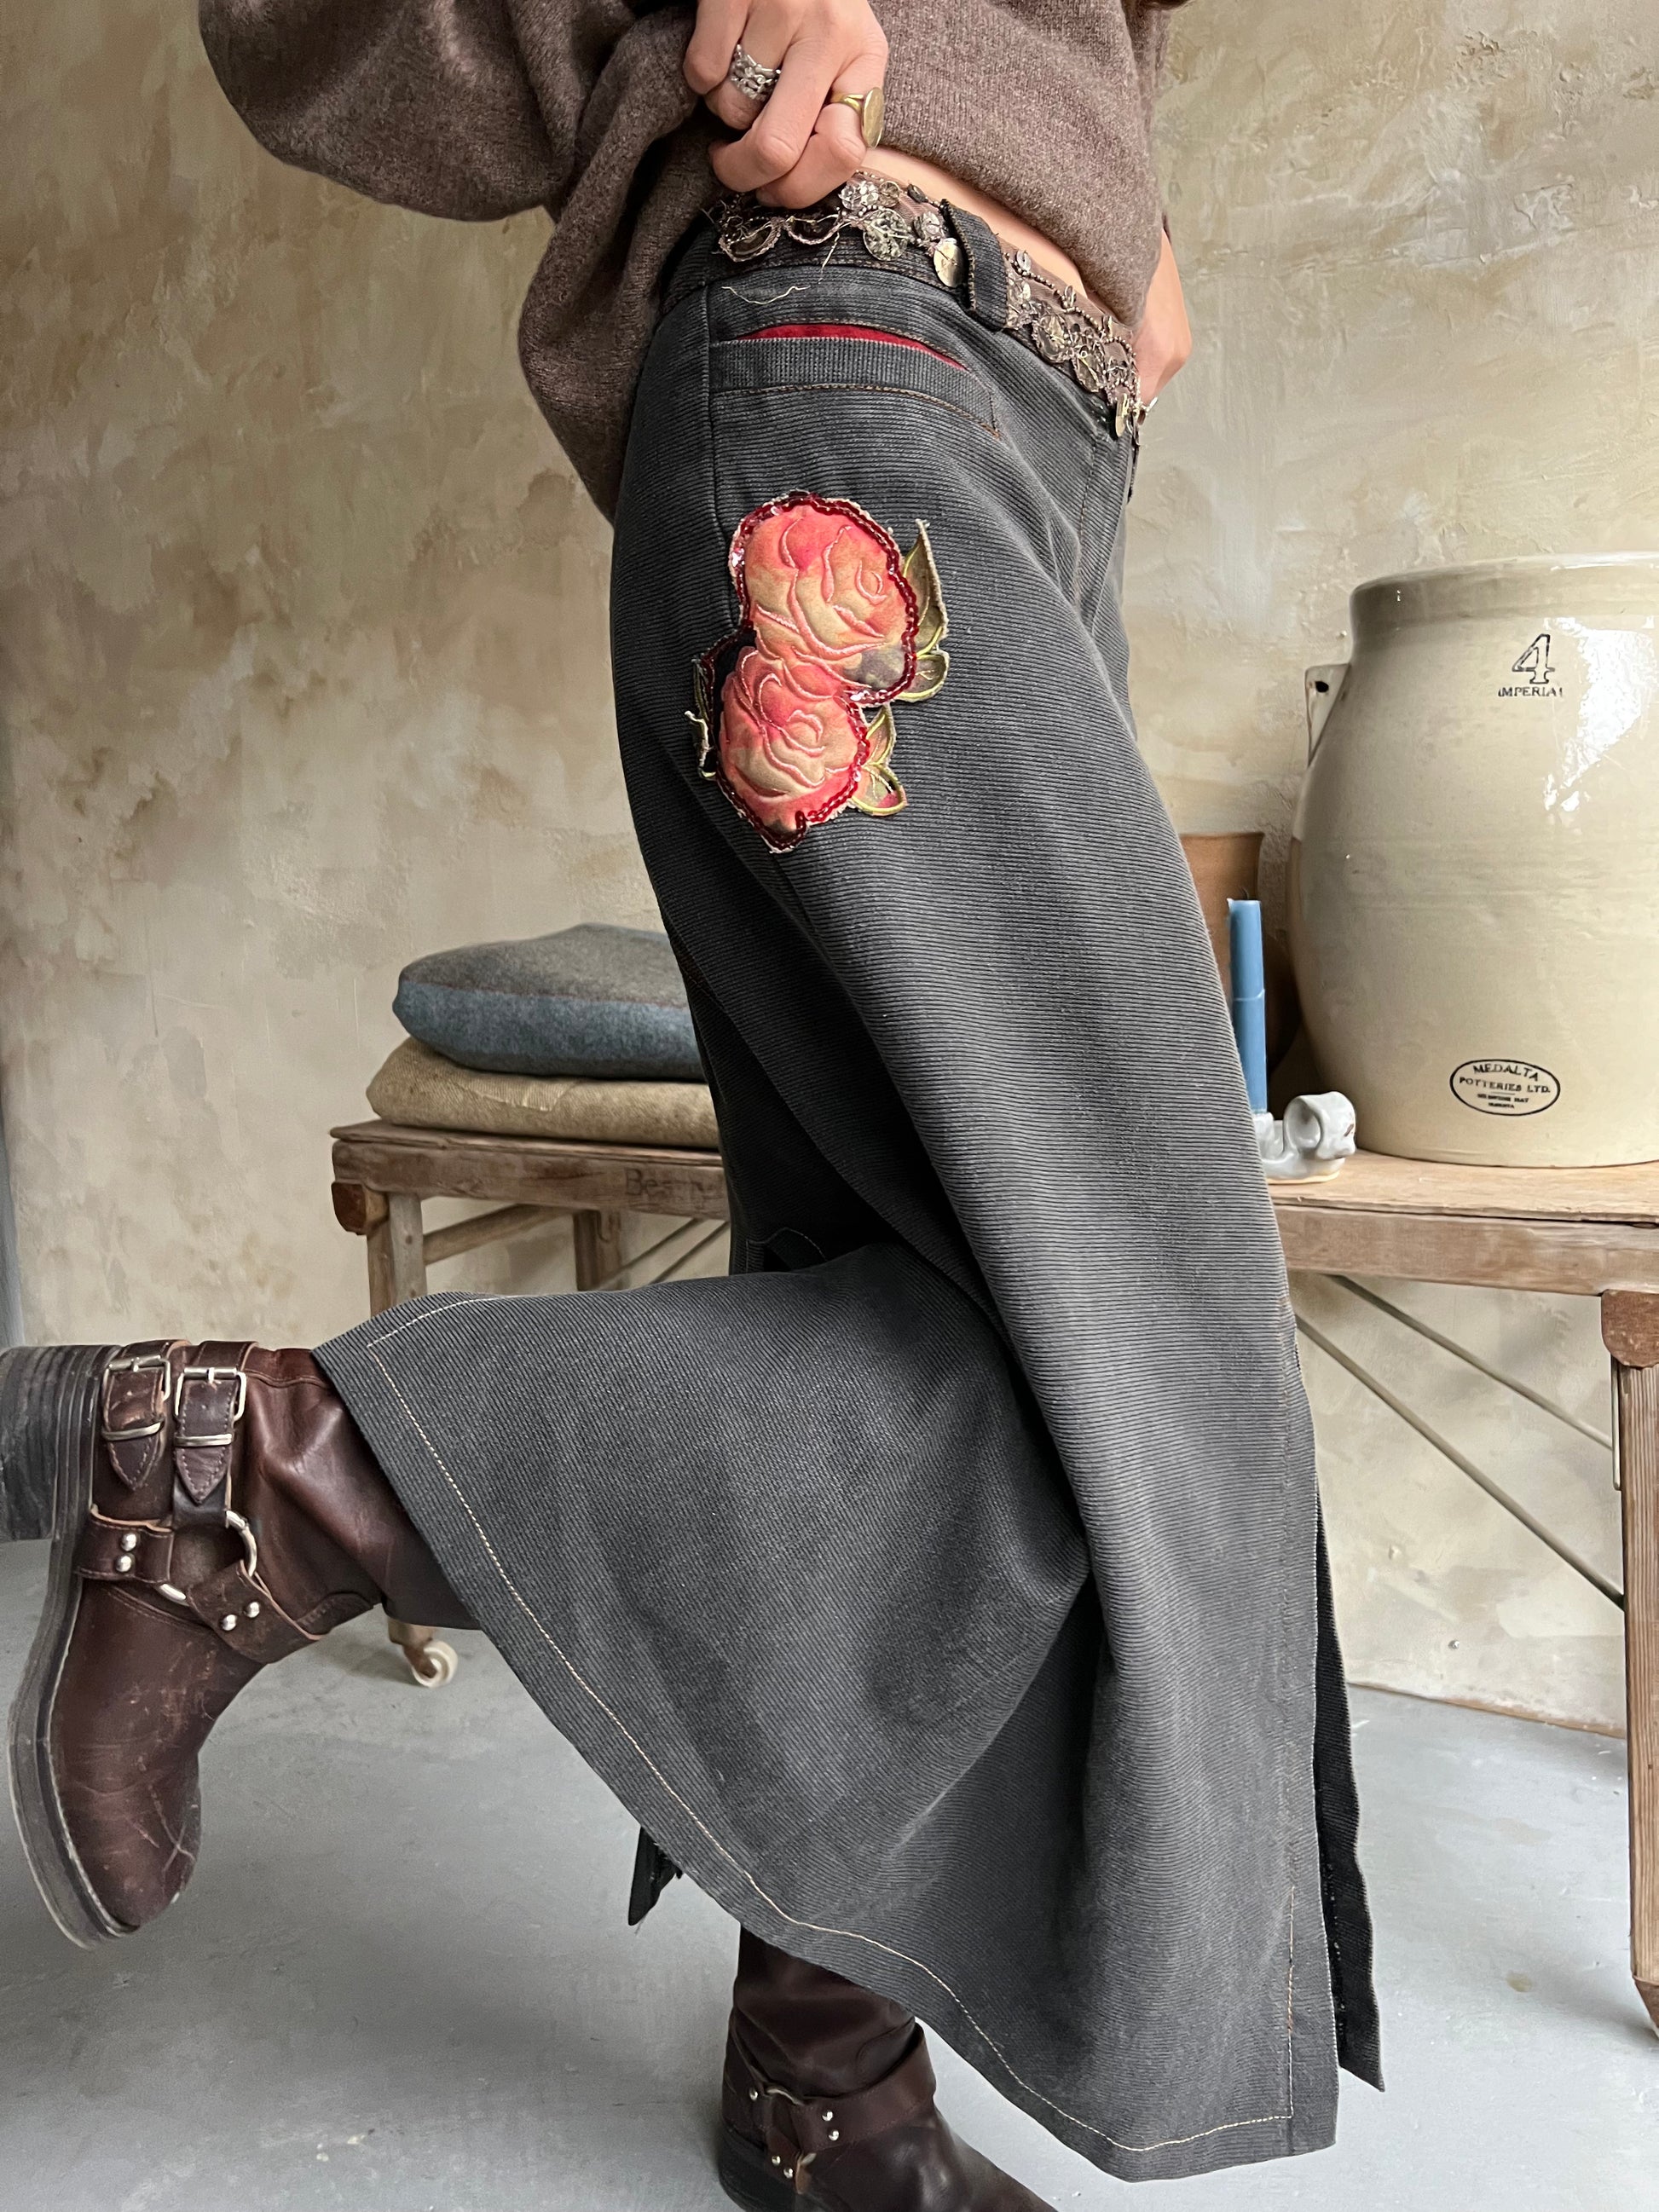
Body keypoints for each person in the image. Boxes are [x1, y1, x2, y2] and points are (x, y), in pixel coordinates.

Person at [3, 4, 1380, 2207]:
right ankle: (258, 1474)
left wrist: (1114, 185)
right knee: (1131, 1357)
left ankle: (825, 2087)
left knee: (913, 1306)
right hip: (863, 357)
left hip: (1010, 433)